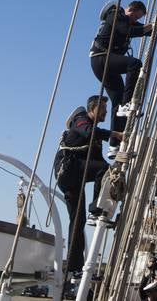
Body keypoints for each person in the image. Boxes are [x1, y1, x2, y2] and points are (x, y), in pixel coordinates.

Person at [53, 96, 121, 274]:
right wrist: (114, 134)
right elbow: (88, 132)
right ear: (94, 108)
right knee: (103, 169)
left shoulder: (95, 135)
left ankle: (74, 266)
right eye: (103, 108)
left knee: (77, 220)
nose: (106, 112)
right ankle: (95, 209)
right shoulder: (81, 119)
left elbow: (98, 163)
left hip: (75, 174)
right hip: (68, 170)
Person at [90, 0, 153, 154]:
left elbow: (144, 29)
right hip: (101, 58)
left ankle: (114, 146)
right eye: (135, 16)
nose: (135, 20)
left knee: (117, 102)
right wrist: (147, 27)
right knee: (134, 64)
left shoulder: (127, 20)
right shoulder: (115, 16)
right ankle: (127, 104)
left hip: (104, 63)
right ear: (130, 9)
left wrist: (154, 25)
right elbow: (128, 31)